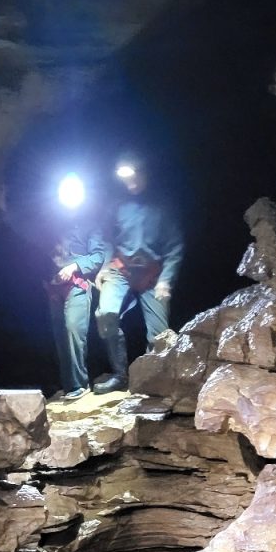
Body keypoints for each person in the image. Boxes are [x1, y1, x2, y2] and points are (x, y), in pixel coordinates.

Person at [93, 154, 184, 394]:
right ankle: (120, 375)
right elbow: (107, 237)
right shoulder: (118, 204)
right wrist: (104, 266)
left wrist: (166, 280)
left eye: (135, 176)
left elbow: (175, 247)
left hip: (152, 274)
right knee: (106, 315)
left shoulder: (162, 206)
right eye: (126, 178)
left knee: (160, 335)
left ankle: (151, 378)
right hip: (121, 269)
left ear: (145, 174)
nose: (131, 182)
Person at [47, 203, 107, 401]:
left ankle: (80, 385)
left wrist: (74, 266)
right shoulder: (53, 224)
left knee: (73, 327)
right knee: (60, 334)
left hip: (78, 285)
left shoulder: (90, 225)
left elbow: (98, 256)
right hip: (53, 288)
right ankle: (68, 386)